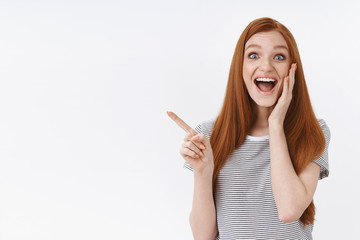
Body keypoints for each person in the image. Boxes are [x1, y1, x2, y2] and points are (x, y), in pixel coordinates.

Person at [178, 17, 330, 240]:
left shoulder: (312, 132)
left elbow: (289, 210)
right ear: (240, 66)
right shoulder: (210, 134)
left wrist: (276, 125)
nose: (266, 66)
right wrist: (203, 172)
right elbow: (203, 236)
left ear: (292, 69)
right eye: (253, 55)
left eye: (279, 57)